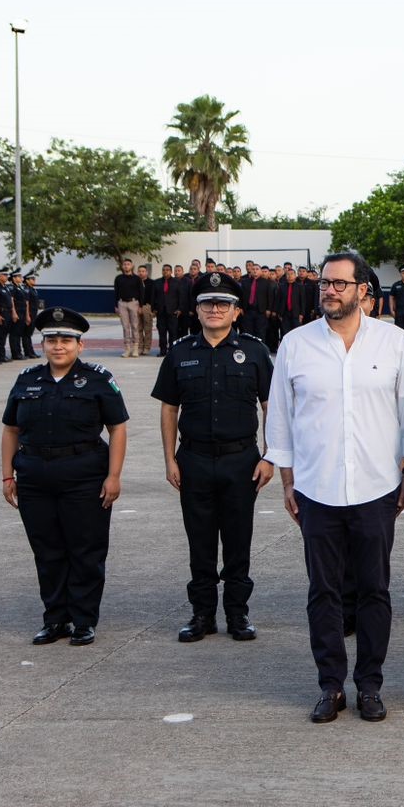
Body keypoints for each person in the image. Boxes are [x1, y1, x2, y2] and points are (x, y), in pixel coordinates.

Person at [263, 251, 404, 724]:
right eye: (325, 284)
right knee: (323, 592)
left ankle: (369, 685)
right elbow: (281, 417)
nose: (329, 291)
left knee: (374, 590)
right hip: (316, 488)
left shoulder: (392, 341)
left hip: (377, 487)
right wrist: (288, 480)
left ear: (362, 291)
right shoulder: (295, 343)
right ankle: (331, 686)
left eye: (340, 284)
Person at [152, 272, 276, 643]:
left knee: (239, 540)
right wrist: (169, 459)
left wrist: (270, 456)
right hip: (194, 460)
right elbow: (169, 410)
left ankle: (238, 613)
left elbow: (272, 407)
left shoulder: (255, 351)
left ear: (236, 312)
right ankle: (202, 614)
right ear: (197, 309)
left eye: (223, 303)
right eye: (208, 303)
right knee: (200, 541)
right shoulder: (180, 352)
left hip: (242, 460)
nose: (215, 309)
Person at [1, 307, 129, 646]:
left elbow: (117, 428)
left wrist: (113, 476)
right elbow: (11, 429)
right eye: (52, 340)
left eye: (66, 340)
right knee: (47, 550)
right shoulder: (27, 379)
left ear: (80, 346)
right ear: (43, 344)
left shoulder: (99, 379)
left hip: (84, 476)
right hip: (34, 476)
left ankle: (84, 619)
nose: (59, 346)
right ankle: (55, 618)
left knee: (85, 549)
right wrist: (7, 476)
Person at [113, 258, 144, 358]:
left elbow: (141, 292)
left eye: (128, 264)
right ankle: (127, 349)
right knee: (125, 327)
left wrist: (140, 306)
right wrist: (116, 305)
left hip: (133, 303)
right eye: (125, 264)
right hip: (122, 303)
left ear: (132, 266)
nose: (126, 266)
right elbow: (116, 292)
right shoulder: (118, 278)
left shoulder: (137, 279)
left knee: (135, 326)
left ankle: (135, 349)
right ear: (122, 266)